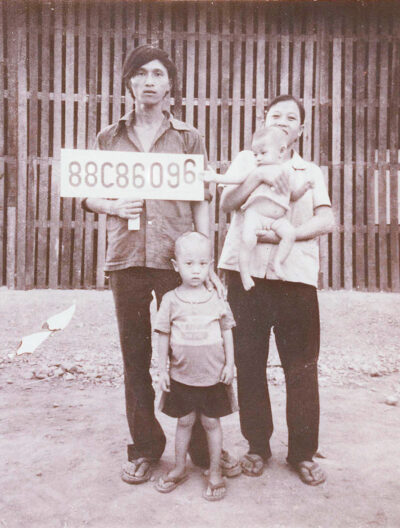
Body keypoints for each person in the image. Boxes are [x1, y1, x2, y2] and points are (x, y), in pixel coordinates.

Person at [82, 45, 240, 484]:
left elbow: (200, 199)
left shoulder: (189, 138)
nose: (149, 81)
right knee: (135, 358)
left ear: (170, 84)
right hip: (127, 259)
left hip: (178, 260)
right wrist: (112, 203)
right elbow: (86, 195)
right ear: (129, 83)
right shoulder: (108, 137)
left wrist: (205, 258)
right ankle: (147, 448)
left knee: (197, 350)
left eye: (158, 74)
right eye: (140, 74)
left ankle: (207, 451)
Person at [218, 94, 335, 485]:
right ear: (263, 122)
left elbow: (327, 219)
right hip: (245, 274)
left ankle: (302, 453)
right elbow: (226, 202)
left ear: (300, 130)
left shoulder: (309, 171)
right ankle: (257, 447)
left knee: (301, 367)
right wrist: (257, 177)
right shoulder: (245, 160)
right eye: (275, 116)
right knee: (249, 365)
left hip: (295, 277)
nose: (282, 121)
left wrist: (285, 236)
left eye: (291, 117)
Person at [154, 232, 237, 501]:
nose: (196, 270)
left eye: (203, 264)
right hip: (181, 376)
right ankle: (179, 467)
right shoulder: (170, 300)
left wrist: (230, 365)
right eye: (189, 263)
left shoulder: (217, 298)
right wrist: (162, 370)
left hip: (213, 376)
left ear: (210, 266)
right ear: (176, 265)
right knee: (184, 421)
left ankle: (215, 472)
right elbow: (163, 335)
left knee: (212, 423)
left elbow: (227, 331)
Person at [203, 126, 314, 289]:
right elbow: (235, 180)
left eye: (263, 153)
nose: (258, 158)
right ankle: (245, 273)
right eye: (255, 154)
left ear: (281, 151)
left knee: (289, 234)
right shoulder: (255, 169)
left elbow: (292, 196)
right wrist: (215, 177)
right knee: (248, 240)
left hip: (277, 219)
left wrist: (304, 188)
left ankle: (278, 262)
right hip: (255, 215)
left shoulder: (287, 173)